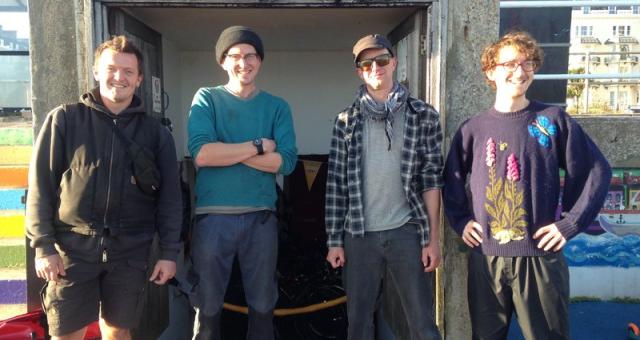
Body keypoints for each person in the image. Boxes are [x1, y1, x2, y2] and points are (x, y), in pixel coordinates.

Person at [443, 31, 612, 339]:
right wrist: (461, 220)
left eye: (527, 63)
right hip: (486, 260)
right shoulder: (472, 129)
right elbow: (451, 180)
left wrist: (570, 223)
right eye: (509, 63)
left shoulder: (552, 120)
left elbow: (596, 171)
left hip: (539, 259)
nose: (519, 71)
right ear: (491, 71)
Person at [26, 35, 182, 340]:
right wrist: (43, 246)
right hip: (70, 250)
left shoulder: (156, 133)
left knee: (117, 330)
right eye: (111, 68)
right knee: (67, 333)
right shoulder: (65, 120)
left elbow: (170, 200)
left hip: (129, 253)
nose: (118, 77)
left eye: (127, 72)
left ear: (138, 79)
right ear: (97, 71)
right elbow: (40, 187)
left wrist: (169, 253)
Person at [325, 33, 443, 340]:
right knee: (359, 323)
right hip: (359, 235)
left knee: (422, 322)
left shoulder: (423, 115)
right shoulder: (345, 121)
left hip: (407, 231)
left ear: (394, 63)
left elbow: (432, 179)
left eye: (381, 61)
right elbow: (336, 185)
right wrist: (334, 241)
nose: (374, 68)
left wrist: (433, 238)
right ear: (359, 71)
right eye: (366, 63)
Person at [187, 26, 297, 339]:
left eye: (250, 55)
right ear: (223, 61)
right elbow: (203, 155)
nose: (243, 62)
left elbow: (285, 163)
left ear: (260, 61)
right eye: (234, 55)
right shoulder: (206, 98)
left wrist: (228, 150)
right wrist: (259, 146)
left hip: (261, 219)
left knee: (263, 306)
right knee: (207, 308)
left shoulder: (277, 107)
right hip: (212, 218)